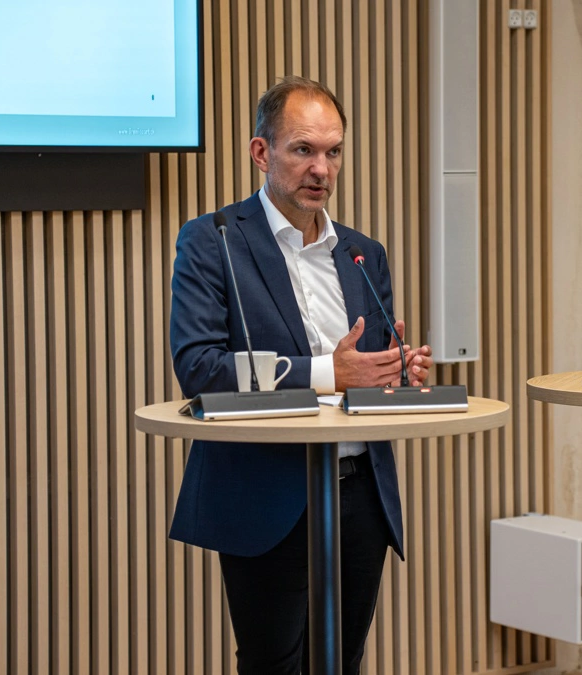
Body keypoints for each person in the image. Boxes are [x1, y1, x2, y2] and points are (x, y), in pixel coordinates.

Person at [168, 76, 433, 674]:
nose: (321, 169)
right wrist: (327, 371)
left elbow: (369, 369)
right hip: (269, 489)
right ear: (262, 153)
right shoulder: (214, 242)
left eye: (333, 152)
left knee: (343, 660)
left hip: (360, 487)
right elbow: (199, 368)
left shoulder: (363, 252)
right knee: (274, 665)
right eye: (303, 150)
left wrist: (397, 370)